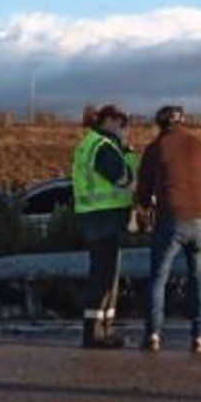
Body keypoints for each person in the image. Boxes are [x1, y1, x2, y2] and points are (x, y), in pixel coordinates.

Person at [136, 104, 201, 354]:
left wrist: (149, 201)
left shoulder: (155, 149)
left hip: (170, 219)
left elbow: (143, 192)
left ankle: (153, 335)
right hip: (200, 220)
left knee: (159, 279)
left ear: (160, 124)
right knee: (200, 280)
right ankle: (200, 337)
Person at [70, 104, 137, 349]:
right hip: (105, 218)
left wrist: (125, 150)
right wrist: (128, 152)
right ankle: (95, 333)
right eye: (122, 125)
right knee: (103, 278)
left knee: (106, 276)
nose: (124, 130)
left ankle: (104, 329)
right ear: (110, 121)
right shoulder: (103, 147)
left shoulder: (90, 143)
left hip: (96, 217)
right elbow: (124, 179)